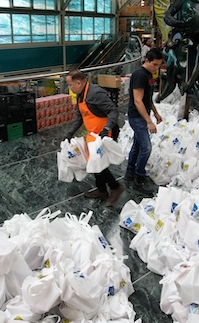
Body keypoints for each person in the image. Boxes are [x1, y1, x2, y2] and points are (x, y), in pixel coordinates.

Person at [65, 70, 124, 207]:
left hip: (105, 132)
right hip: (93, 133)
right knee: (94, 163)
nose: (70, 87)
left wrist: (106, 129)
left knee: (98, 163)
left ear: (78, 82)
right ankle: (102, 190)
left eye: (70, 84)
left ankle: (115, 187)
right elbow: (80, 117)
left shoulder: (95, 93)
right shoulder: (80, 95)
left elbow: (113, 111)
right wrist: (70, 133)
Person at [125, 48, 164, 194]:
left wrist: (155, 113)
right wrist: (149, 121)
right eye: (154, 64)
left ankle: (130, 172)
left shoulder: (148, 74)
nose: (157, 68)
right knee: (146, 147)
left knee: (137, 145)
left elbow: (147, 98)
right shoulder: (140, 75)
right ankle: (139, 178)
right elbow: (138, 101)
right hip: (137, 117)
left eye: (159, 65)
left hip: (142, 116)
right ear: (146, 60)